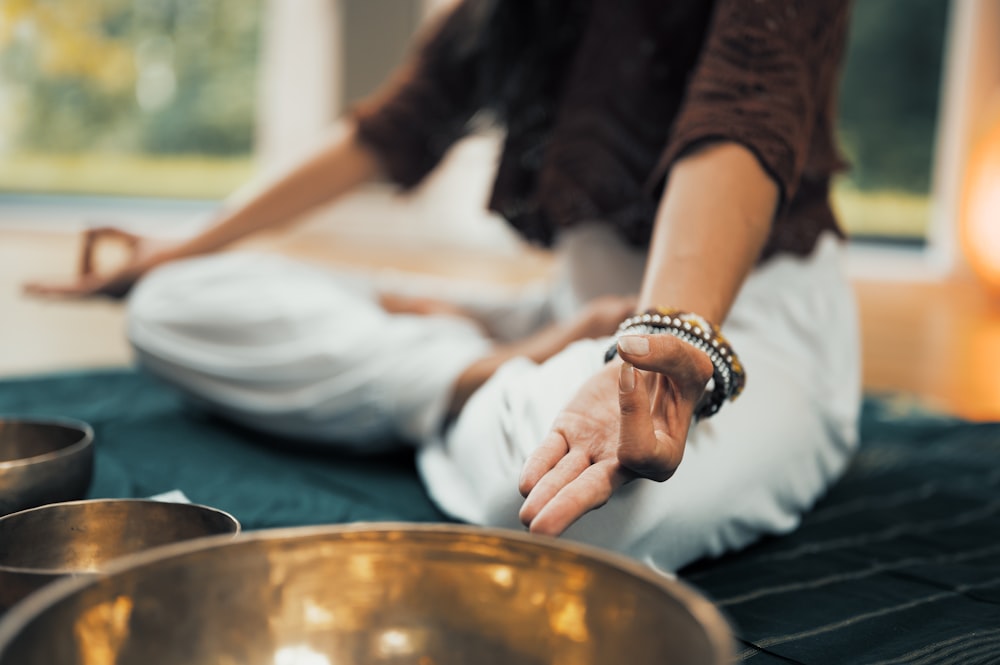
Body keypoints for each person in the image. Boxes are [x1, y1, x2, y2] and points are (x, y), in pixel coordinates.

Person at [26, 0, 860, 574]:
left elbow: (744, 116)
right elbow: (392, 127)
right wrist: (178, 249)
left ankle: (459, 380)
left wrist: (664, 336)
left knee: (564, 512)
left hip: (736, 326)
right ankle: (469, 379)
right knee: (172, 304)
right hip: (560, 320)